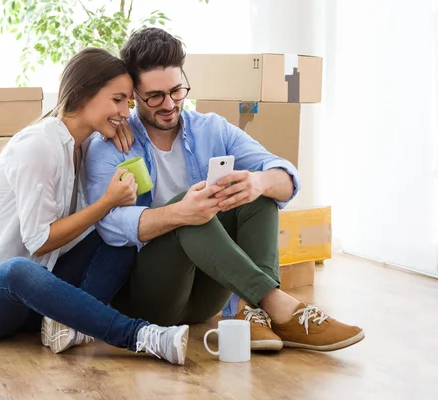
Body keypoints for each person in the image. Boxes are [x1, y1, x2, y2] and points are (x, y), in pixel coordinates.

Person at [85, 28, 364, 352]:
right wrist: (178, 213)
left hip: (205, 301)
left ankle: (251, 314)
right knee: (188, 207)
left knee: (256, 190)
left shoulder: (211, 128)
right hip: (150, 299)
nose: (170, 103)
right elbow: (108, 225)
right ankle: (281, 308)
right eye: (155, 96)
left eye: (177, 91)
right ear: (134, 94)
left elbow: (285, 177)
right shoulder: (112, 142)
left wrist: (259, 182)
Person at [0, 47, 189, 365]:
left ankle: (67, 326)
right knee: (20, 270)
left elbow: (108, 222)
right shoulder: (38, 145)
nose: (124, 112)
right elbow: (39, 240)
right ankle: (142, 336)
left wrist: (116, 201)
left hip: (39, 301)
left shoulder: (83, 145)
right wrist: (106, 203)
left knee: (119, 232)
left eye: (128, 103)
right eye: (117, 100)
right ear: (84, 93)